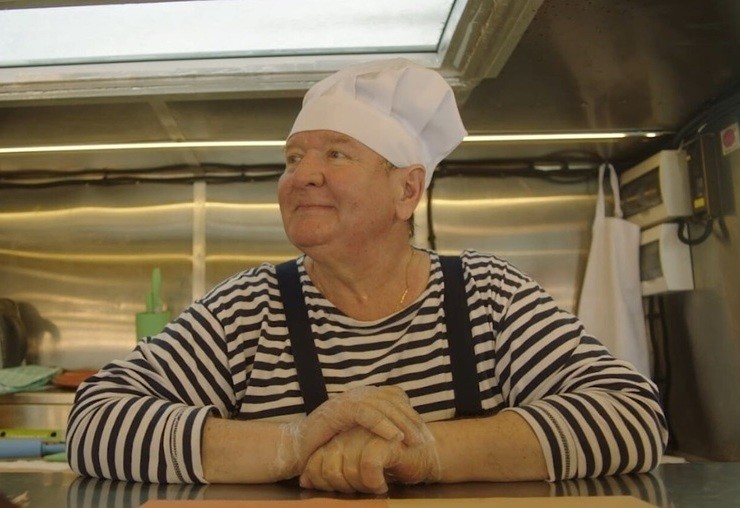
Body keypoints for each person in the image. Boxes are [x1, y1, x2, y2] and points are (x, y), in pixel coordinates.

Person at [67, 58, 668, 494]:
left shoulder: (487, 296)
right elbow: (95, 420)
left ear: (406, 190)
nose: (301, 175)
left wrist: (425, 452)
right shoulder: (248, 309)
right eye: (293, 157)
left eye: (335, 153)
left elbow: (631, 414)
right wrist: (293, 443)